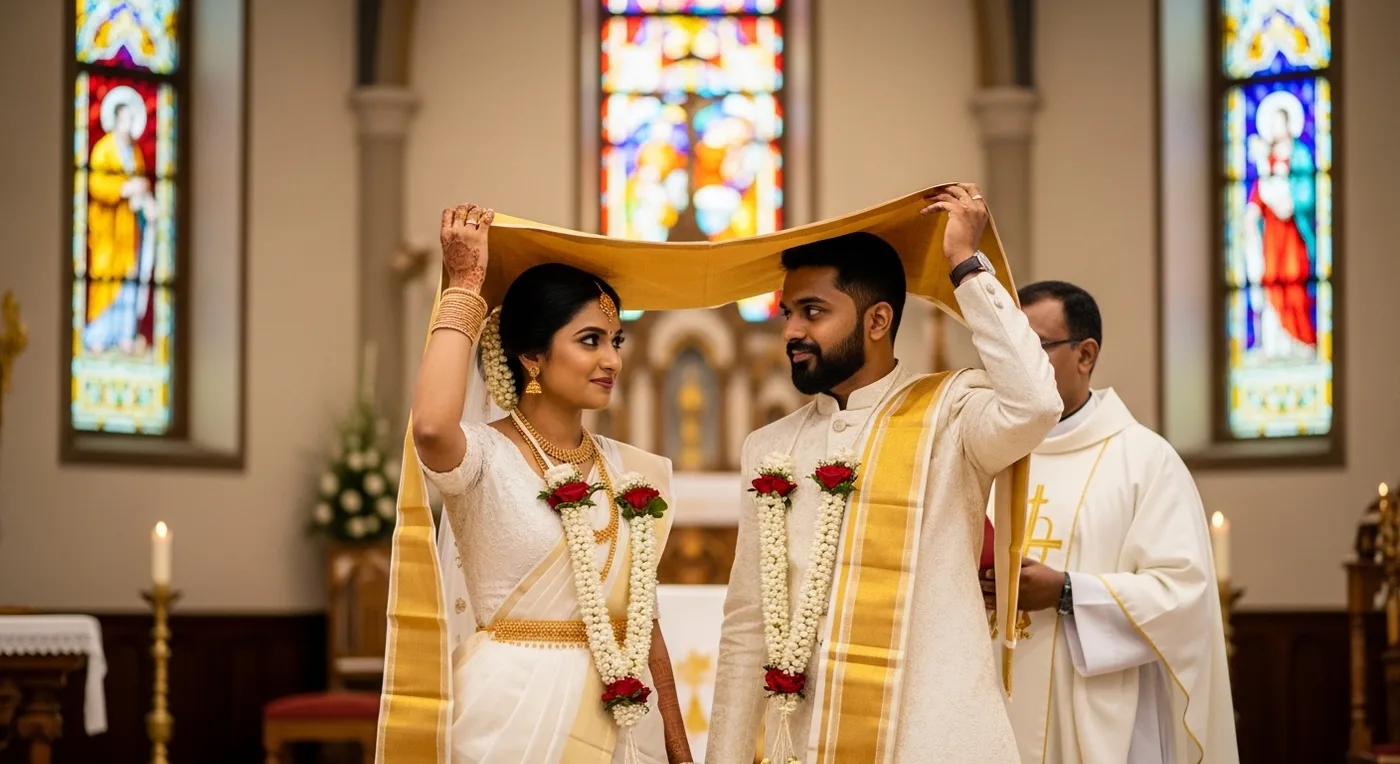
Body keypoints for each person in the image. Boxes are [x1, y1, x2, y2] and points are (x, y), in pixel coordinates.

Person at [706, 183, 1063, 763]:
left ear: (878, 320)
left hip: (933, 736)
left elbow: (1035, 404)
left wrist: (966, 266)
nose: (791, 331)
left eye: (813, 311)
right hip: (806, 741)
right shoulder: (769, 445)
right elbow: (748, 622)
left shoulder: (952, 415)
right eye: (788, 313)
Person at [376, 204, 695, 764]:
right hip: (510, 715)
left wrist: (675, 743)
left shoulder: (631, 471)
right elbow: (428, 427)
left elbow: (644, 617)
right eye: (590, 340)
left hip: (620, 714)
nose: (611, 361)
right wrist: (465, 287)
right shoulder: (484, 458)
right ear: (532, 358)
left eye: (616, 342)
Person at [984, 280, 1238, 764]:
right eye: (1009, 344)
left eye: (1035, 345)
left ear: (1085, 355)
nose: (1017, 360)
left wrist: (1065, 593)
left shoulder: (1145, 461)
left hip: (1101, 715)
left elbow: (1183, 596)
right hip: (994, 704)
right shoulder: (991, 454)